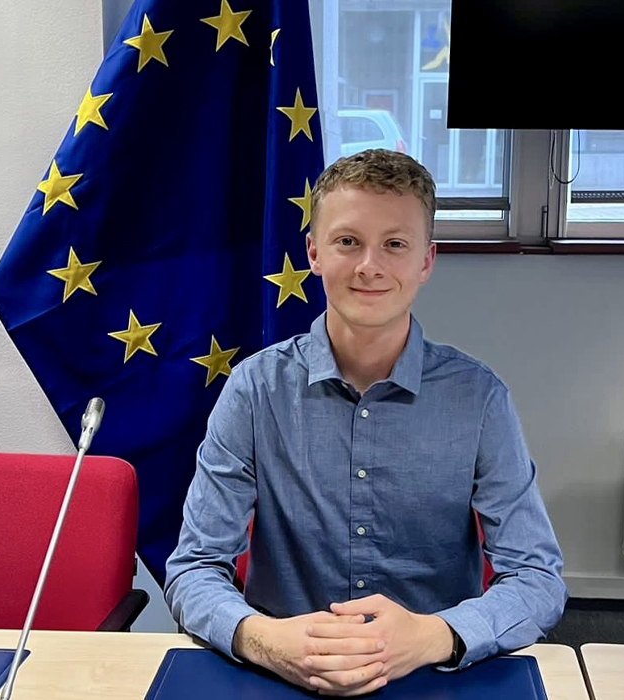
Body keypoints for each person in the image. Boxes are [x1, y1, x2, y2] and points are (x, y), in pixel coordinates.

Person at [164, 148, 566, 696]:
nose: (369, 266)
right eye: (348, 242)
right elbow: (195, 567)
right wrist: (266, 640)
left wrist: (434, 636)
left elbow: (537, 579)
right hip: (282, 674)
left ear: (426, 261)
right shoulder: (255, 390)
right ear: (314, 252)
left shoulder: (479, 399)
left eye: (395, 244)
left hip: (433, 674)